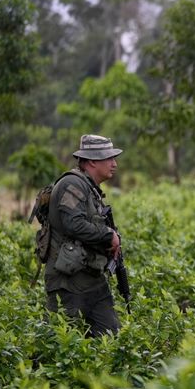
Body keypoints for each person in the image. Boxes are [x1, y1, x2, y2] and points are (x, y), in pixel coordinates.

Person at [44, 135, 123, 337]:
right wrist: (108, 235)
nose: (114, 164)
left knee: (111, 341)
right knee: (61, 344)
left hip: (92, 281)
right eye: (109, 158)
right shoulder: (72, 184)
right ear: (92, 161)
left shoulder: (90, 188)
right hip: (68, 284)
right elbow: (74, 224)